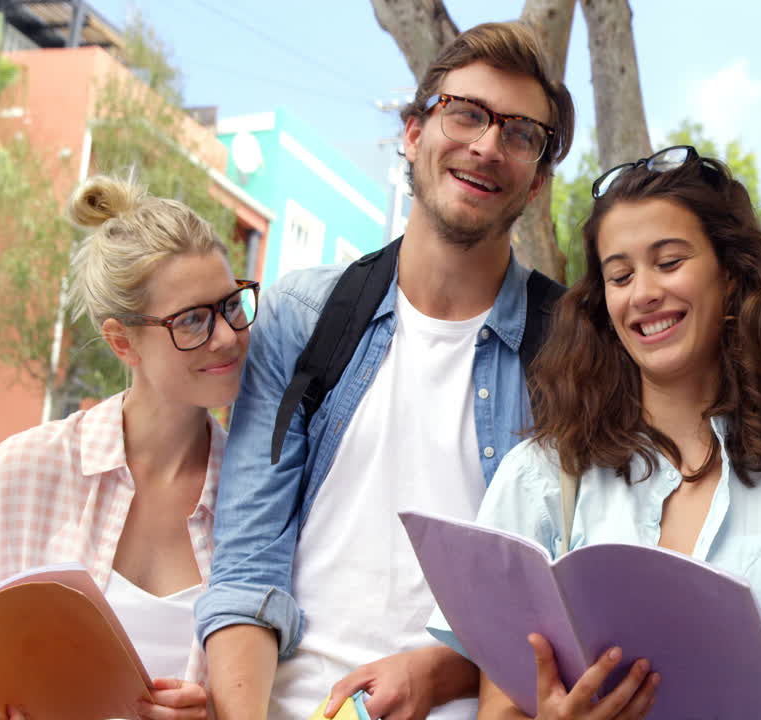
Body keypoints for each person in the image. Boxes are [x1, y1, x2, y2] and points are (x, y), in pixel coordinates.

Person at [194, 21, 576, 720]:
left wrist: (443, 673)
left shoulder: (575, 350)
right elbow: (248, 565)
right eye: (465, 113)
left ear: (539, 178)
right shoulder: (299, 317)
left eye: (521, 134)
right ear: (412, 130)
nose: (487, 146)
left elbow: (571, 603)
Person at [428, 146, 761, 719]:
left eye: (669, 262)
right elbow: (499, 707)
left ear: (732, 278)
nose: (643, 293)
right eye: (620, 274)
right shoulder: (540, 475)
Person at [0, 174, 256, 719]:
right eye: (191, 320)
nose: (226, 336)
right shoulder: (23, 473)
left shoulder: (258, 495)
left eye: (231, 305)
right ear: (122, 341)